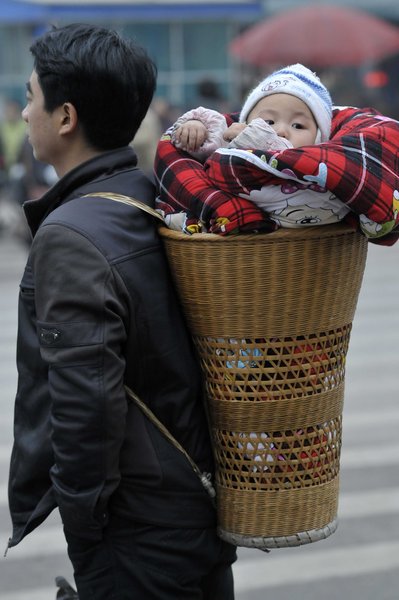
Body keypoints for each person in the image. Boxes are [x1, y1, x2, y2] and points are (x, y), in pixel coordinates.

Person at [6, 23, 237, 600]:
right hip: (193, 498)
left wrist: (85, 524)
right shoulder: (154, 199)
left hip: (138, 529)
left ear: (65, 117)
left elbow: (86, 398)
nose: (26, 111)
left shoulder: (70, 233)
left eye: (33, 97)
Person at [160, 63, 349, 232]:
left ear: (319, 138)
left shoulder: (321, 168)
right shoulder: (231, 140)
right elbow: (204, 136)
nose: (281, 131)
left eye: (298, 125)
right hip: (228, 219)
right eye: (269, 121)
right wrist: (195, 126)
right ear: (244, 122)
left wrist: (259, 138)